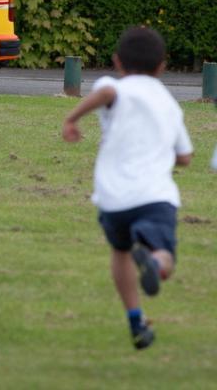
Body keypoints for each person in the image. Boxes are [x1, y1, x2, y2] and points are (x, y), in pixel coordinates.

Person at [62, 26, 193, 350]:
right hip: (154, 196)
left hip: (113, 199)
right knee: (163, 253)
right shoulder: (170, 104)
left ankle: (136, 319)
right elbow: (186, 157)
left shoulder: (113, 86)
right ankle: (156, 263)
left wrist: (72, 118)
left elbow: (107, 94)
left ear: (117, 61)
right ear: (162, 66)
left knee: (120, 252)